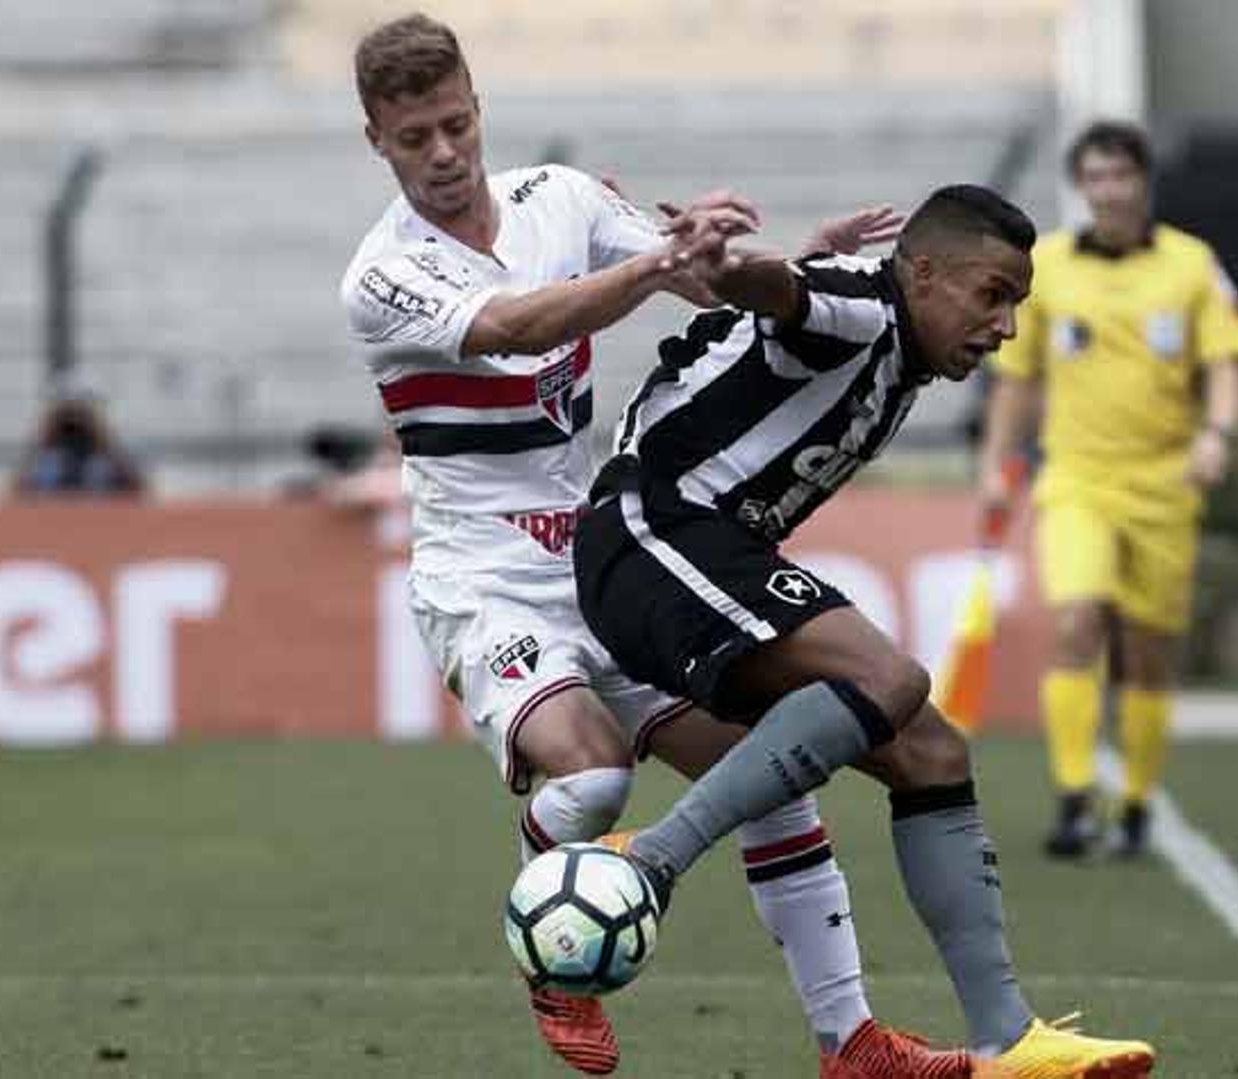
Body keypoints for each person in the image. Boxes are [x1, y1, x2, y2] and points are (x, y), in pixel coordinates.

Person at [340, 15, 969, 1077]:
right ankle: (551, 948)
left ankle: (850, 1039)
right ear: (377, 141)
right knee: (591, 778)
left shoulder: (563, 198)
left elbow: (697, 282)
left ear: (478, 108)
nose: (442, 153)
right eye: (414, 138)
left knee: (772, 776)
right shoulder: (382, 276)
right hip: (484, 581)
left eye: (453, 125)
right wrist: (658, 267)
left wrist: (794, 266)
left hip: (591, 558)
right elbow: (519, 327)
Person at [575, 184, 1157, 1078]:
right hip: (655, 532)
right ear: (922, 272)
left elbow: (787, 309)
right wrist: (729, 266)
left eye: (1017, 304)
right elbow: (786, 296)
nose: (1005, 326)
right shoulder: (867, 309)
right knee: (892, 679)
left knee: (930, 751)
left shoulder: (892, 339)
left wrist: (781, 267)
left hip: (700, 549)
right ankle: (651, 859)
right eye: (991, 294)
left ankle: (1008, 1037)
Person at [976, 121, 1238, 859]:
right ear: (1081, 186)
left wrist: (1216, 435)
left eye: (1119, 175)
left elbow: (1226, 364)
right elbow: (1018, 377)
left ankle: (1135, 798)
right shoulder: (1048, 266)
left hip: (1166, 484)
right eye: (1094, 178)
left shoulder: (1192, 265)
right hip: (1076, 478)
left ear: (1142, 181)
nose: (1108, 191)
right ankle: (1074, 794)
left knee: (1148, 650)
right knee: (1078, 617)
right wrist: (995, 465)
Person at [11, 392, 147, 498]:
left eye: (79, 420)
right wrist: (45, 438)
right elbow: (15, 491)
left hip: (99, 512)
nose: (74, 432)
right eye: (68, 422)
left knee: (98, 468)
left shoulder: (104, 462)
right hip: (52, 513)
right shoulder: (46, 462)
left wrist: (102, 437)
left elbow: (139, 489)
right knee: (48, 466)